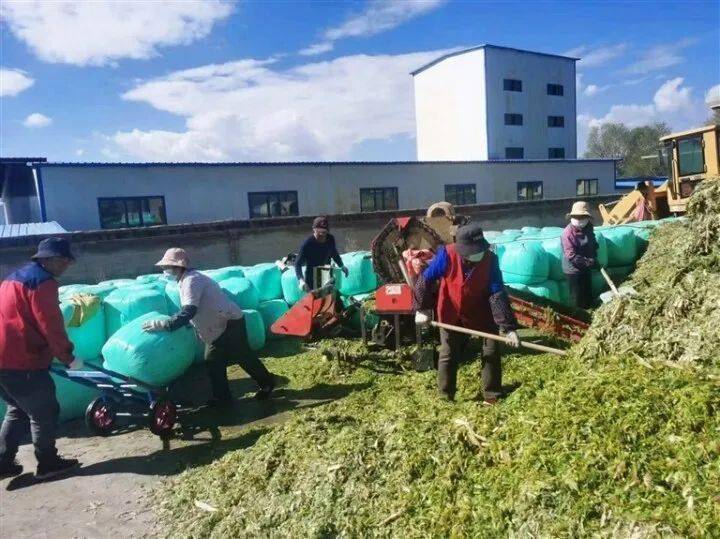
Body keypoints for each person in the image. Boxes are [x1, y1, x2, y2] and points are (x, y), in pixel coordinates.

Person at [143, 248, 276, 407]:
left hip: (229, 322)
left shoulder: (192, 280)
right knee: (213, 362)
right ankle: (223, 398)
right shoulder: (184, 280)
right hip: (217, 325)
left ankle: (267, 383)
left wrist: (163, 324)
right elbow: (195, 309)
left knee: (242, 356)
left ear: (179, 266)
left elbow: (189, 310)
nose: (165, 271)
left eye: (168, 267)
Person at [0, 238, 83, 481]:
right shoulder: (42, 283)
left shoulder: (11, 279)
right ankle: (48, 463)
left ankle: (3, 463)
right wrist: (67, 356)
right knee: (44, 411)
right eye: (64, 260)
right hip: (22, 360)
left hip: (4, 360)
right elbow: (50, 325)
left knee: (18, 409)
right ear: (47, 259)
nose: (67, 265)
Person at [414, 223, 520, 405]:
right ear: (462, 249)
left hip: (481, 310)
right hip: (451, 310)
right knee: (448, 353)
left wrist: (508, 328)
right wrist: (422, 309)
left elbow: (496, 293)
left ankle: (492, 394)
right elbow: (425, 279)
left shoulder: (490, 260)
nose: (477, 255)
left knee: (491, 350)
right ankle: (445, 396)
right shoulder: (447, 254)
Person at [294, 216, 349, 292]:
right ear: (314, 230)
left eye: (324, 233)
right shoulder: (307, 244)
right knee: (318, 299)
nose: (322, 236)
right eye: (320, 233)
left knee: (331, 298)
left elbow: (334, 253)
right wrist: (301, 280)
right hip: (312, 277)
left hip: (326, 273)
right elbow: (297, 264)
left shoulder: (330, 239)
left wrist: (341, 265)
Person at [561, 201, 599, 309]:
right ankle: (578, 318)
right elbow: (571, 256)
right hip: (573, 269)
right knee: (577, 297)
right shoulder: (567, 233)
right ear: (572, 217)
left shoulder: (588, 227)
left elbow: (592, 241)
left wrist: (594, 254)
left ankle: (590, 313)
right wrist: (589, 262)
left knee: (587, 293)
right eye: (577, 217)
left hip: (586, 266)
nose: (580, 220)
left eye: (583, 217)